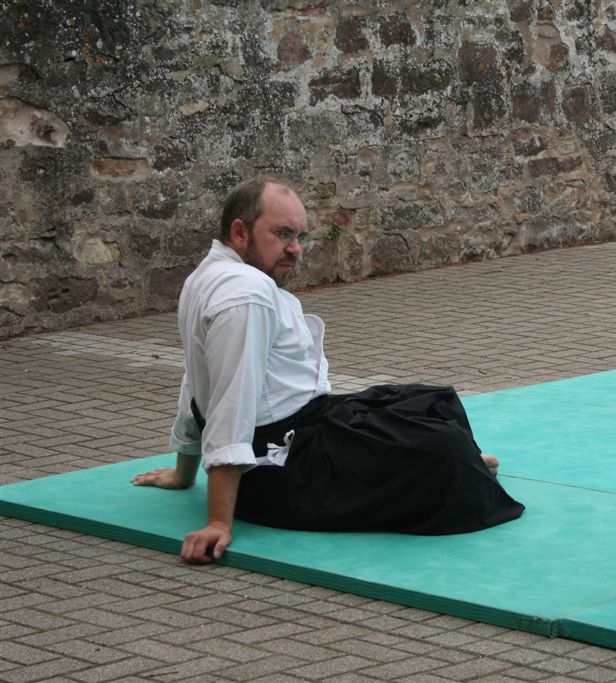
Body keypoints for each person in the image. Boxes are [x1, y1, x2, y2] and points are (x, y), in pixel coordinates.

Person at [132, 177, 524, 563]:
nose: (296, 249)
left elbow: (196, 381)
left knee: (430, 401)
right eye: (283, 234)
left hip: (309, 423)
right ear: (239, 231)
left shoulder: (207, 276)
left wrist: (185, 472)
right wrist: (218, 520)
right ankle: (454, 469)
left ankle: (456, 467)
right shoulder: (245, 295)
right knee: (445, 452)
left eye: (300, 236)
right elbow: (228, 403)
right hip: (280, 471)